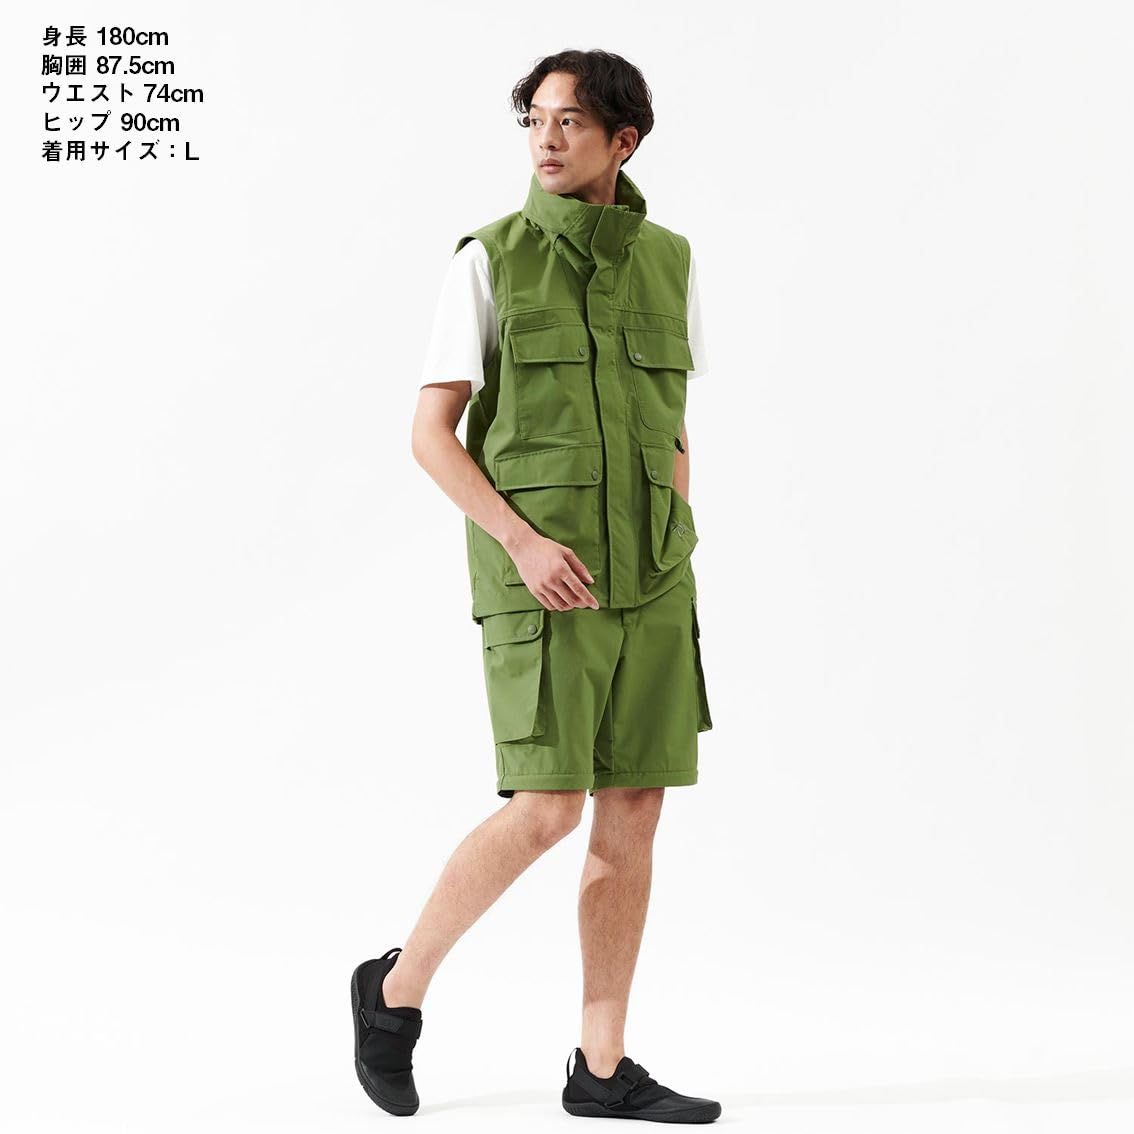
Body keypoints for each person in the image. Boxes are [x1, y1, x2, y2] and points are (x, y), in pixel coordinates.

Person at [351, 49, 719, 1123]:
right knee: (548, 806)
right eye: (535, 120)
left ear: (623, 141)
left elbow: (673, 424)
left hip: (654, 575)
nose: (546, 139)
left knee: (634, 809)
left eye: (570, 122)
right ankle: (394, 989)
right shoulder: (489, 260)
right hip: (542, 575)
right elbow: (431, 435)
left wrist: (678, 533)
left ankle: (601, 1068)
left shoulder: (671, 261)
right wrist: (519, 544)